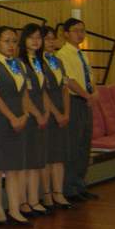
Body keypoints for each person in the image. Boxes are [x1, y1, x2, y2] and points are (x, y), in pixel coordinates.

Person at [0, 27, 30, 225]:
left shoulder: (20, 65)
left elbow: (25, 94)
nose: (11, 45)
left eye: (14, 41)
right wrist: (12, 117)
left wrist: (25, 115)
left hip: (19, 120)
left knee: (14, 167)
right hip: (1, 121)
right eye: (6, 41)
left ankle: (14, 208)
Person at [56, 18, 98, 202]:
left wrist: (94, 92)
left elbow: (90, 77)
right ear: (66, 33)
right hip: (74, 102)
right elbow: (70, 80)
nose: (80, 34)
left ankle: (80, 184)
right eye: (76, 30)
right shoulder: (63, 54)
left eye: (82, 30)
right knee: (73, 146)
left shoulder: (82, 54)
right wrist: (87, 95)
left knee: (84, 145)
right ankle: (69, 188)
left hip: (85, 102)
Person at [18, 23, 50, 217]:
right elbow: (24, 94)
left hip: (40, 116)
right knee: (26, 161)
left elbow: (43, 91)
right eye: (31, 37)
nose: (36, 41)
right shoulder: (19, 62)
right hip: (28, 116)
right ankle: (23, 202)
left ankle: (34, 199)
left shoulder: (40, 62)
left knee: (37, 160)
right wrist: (37, 114)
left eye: (39, 37)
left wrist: (46, 112)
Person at [41, 26, 72, 210]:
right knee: (47, 155)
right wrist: (56, 113)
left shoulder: (58, 61)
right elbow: (42, 92)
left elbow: (65, 88)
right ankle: (47, 195)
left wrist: (66, 112)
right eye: (47, 39)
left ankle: (58, 192)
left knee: (59, 155)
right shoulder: (38, 62)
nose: (51, 42)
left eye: (53, 39)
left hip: (61, 111)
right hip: (48, 112)